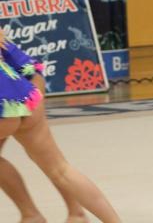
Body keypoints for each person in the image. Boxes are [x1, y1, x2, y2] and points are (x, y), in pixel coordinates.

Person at [0, 30, 120, 223]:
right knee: (60, 169)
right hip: (24, 91)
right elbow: (20, 61)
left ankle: (34, 214)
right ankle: (90, 216)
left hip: (6, 101)